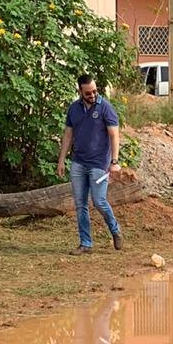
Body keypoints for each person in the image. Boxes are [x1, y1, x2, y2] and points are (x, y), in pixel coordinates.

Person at [57, 73, 123, 255]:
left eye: (94, 91)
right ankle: (86, 243)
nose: (92, 95)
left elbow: (114, 135)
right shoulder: (74, 109)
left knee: (99, 201)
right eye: (88, 93)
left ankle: (115, 229)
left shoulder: (105, 108)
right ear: (80, 91)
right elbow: (68, 135)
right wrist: (61, 160)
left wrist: (114, 161)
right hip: (78, 162)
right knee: (80, 204)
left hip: (99, 164)